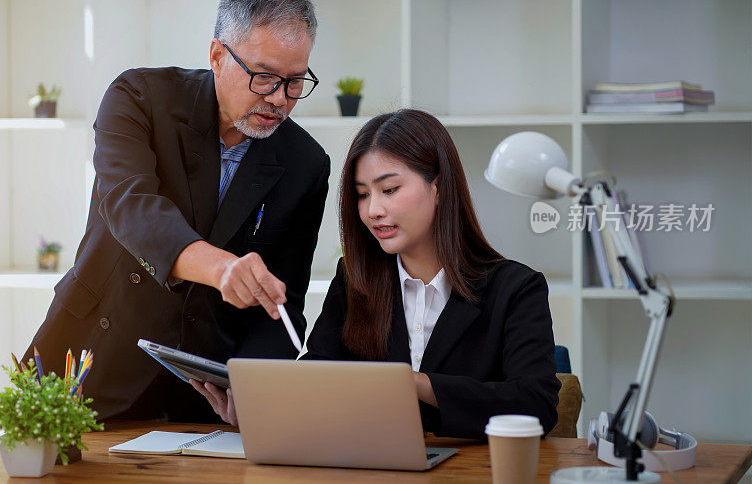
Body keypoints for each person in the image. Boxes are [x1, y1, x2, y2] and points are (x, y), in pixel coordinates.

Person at [24, 0, 330, 423]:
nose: (279, 100)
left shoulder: (306, 163)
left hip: (203, 396)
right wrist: (223, 268)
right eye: (264, 78)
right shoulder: (139, 98)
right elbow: (131, 207)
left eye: (295, 82)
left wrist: (256, 387)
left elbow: (282, 305)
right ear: (218, 55)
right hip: (92, 361)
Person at [193, 109, 560, 439]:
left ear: (439, 187)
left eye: (389, 189)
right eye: (362, 195)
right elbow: (320, 378)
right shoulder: (354, 281)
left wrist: (411, 384)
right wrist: (262, 412)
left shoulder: (516, 289)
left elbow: (536, 406)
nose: (373, 211)